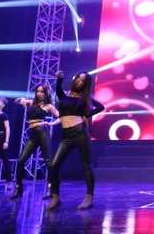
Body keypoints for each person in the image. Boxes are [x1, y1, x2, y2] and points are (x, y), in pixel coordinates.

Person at [46, 70, 105, 210]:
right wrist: (60, 78)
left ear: (86, 84)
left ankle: (89, 198)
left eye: (83, 80)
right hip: (66, 135)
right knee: (53, 166)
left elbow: (101, 107)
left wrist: (87, 114)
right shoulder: (64, 95)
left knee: (86, 165)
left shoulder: (84, 97)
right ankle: (55, 196)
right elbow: (58, 89)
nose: (79, 81)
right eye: (78, 78)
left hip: (80, 133)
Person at [10, 84, 61, 200]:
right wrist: (22, 99)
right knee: (21, 160)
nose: (39, 93)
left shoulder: (48, 106)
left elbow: (61, 117)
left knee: (48, 161)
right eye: (38, 91)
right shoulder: (32, 103)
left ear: (46, 93)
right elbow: (17, 101)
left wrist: (50, 123)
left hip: (42, 132)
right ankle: (18, 187)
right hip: (32, 134)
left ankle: (51, 186)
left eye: (42, 92)